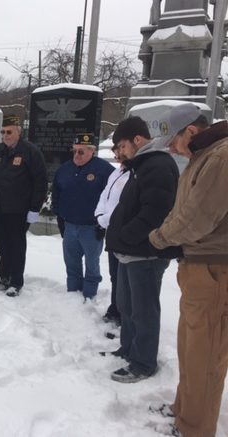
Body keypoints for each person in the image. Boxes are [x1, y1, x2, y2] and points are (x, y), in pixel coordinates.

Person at [148, 103, 228, 437]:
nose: (171, 149)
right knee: (190, 348)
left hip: (214, 270)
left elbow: (197, 219)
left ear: (191, 132)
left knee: (205, 357)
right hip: (198, 267)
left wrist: (158, 238)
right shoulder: (202, 157)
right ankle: (184, 411)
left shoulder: (220, 158)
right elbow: (184, 210)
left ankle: (195, 429)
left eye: (173, 141)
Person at [105, 115, 180, 384]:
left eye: (122, 146)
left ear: (138, 140)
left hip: (146, 253)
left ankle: (143, 362)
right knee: (126, 305)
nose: (120, 153)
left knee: (144, 310)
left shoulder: (157, 165)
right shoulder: (141, 165)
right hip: (130, 252)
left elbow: (154, 212)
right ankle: (128, 349)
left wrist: (126, 235)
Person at [0, 115, 47, 296]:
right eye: (3, 132)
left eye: (9, 131)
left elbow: (40, 181)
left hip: (19, 209)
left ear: (18, 131)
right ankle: (4, 276)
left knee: (16, 244)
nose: (5, 135)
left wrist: (34, 208)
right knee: (1, 242)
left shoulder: (30, 152)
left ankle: (15, 281)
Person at [52, 134, 114, 300]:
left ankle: (89, 297)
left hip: (91, 228)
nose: (76, 155)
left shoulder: (105, 170)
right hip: (70, 226)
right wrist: (59, 216)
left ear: (92, 151)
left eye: (81, 152)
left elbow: (113, 198)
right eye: (75, 151)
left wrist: (103, 224)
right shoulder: (65, 169)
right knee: (71, 263)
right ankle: (72, 295)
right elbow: (56, 193)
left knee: (92, 265)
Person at [94, 142, 130, 325]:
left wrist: (106, 218)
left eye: (119, 153)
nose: (117, 157)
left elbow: (122, 205)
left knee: (123, 277)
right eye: (115, 154)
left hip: (120, 229)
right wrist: (100, 214)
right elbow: (104, 197)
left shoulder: (133, 174)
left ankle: (122, 312)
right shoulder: (117, 172)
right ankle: (115, 307)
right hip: (111, 229)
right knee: (115, 274)